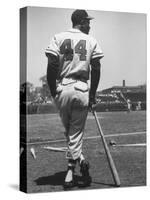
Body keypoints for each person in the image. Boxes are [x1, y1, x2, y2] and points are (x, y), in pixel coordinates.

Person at [45, 9, 104, 189]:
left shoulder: (58, 37)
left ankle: (81, 159)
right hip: (81, 88)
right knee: (75, 133)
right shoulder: (91, 40)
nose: (89, 25)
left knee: (70, 132)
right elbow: (96, 68)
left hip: (62, 88)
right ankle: (70, 173)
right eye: (87, 22)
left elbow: (53, 64)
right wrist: (92, 95)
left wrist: (54, 90)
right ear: (80, 22)